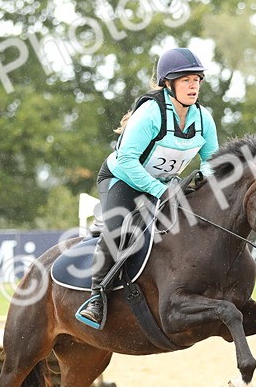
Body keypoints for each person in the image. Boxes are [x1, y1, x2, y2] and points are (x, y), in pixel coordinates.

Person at [75, 47, 220, 330]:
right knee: (118, 230)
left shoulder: (203, 118)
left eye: (197, 80)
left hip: (165, 184)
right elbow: (127, 160)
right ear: (168, 84)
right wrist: (160, 190)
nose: (193, 86)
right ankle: (96, 297)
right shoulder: (151, 113)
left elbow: (212, 160)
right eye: (186, 80)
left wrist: (204, 179)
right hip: (123, 180)